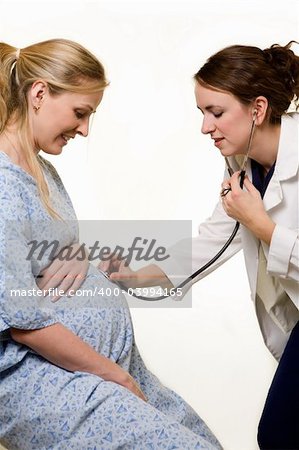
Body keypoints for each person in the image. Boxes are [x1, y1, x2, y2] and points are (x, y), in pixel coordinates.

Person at [0, 39, 222, 450]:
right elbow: (24, 323)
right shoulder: (3, 187)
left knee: (202, 441)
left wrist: (84, 258)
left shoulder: (41, 170)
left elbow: (45, 257)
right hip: (49, 380)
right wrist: (115, 377)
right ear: (39, 93)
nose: (84, 129)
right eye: (80, 113)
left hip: (101, 365)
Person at [100, 41, 299, 449]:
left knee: (280, 432)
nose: (205, 128)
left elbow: (257, 227)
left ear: (258, 109)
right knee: (281, 433)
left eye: (217, 113)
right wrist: (136, 276)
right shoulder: (243, 165)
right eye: (202, 113)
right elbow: (210, 241)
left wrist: (261, 225)